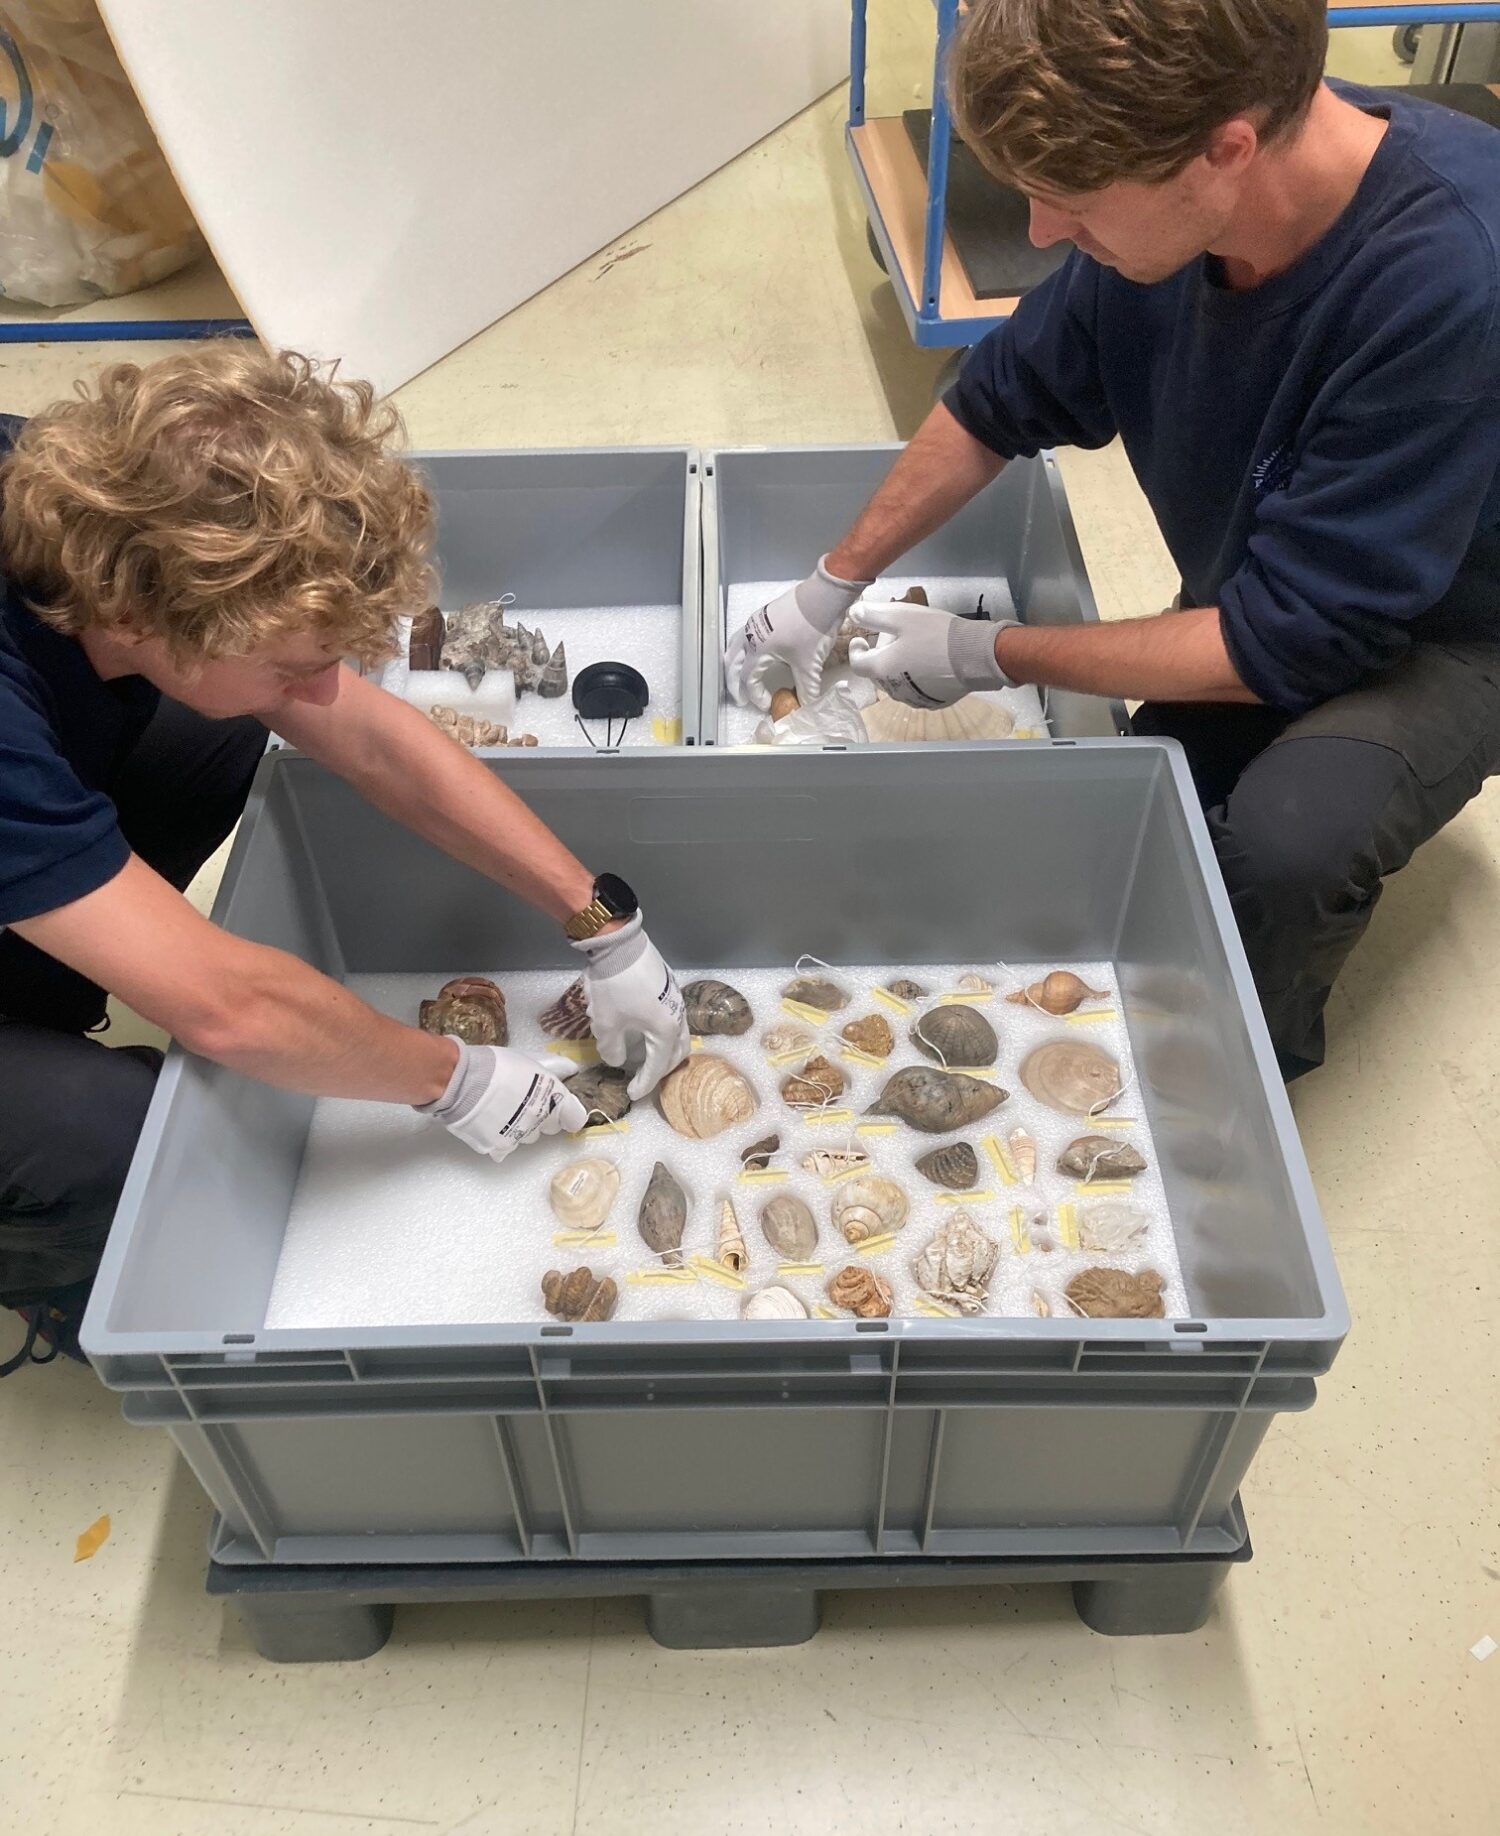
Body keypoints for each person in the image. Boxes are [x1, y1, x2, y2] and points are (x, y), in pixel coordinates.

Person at [726, 0, 1500, 1082]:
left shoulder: (1449, 275)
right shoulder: (1182, 193)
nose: (1040, 233)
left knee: (1281, 848)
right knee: (1137, 797)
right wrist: (832, 579)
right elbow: (999, 396)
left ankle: (1239, 1081)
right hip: (1279, 583)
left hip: (1453, 631)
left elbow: (1293, 644)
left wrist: (984, 652)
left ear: (1225, 150)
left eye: (1073, 204)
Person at [0, 347, 687, 1371]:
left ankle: (52, 958)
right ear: (138, 615)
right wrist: (452, 1079)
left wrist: (603, 921)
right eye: (295, 661)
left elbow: (364, 737)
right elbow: (230, 1010)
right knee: (118, 1134)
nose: (324, 686)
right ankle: (51, 1257)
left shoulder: (78, 504)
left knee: (218, 731)